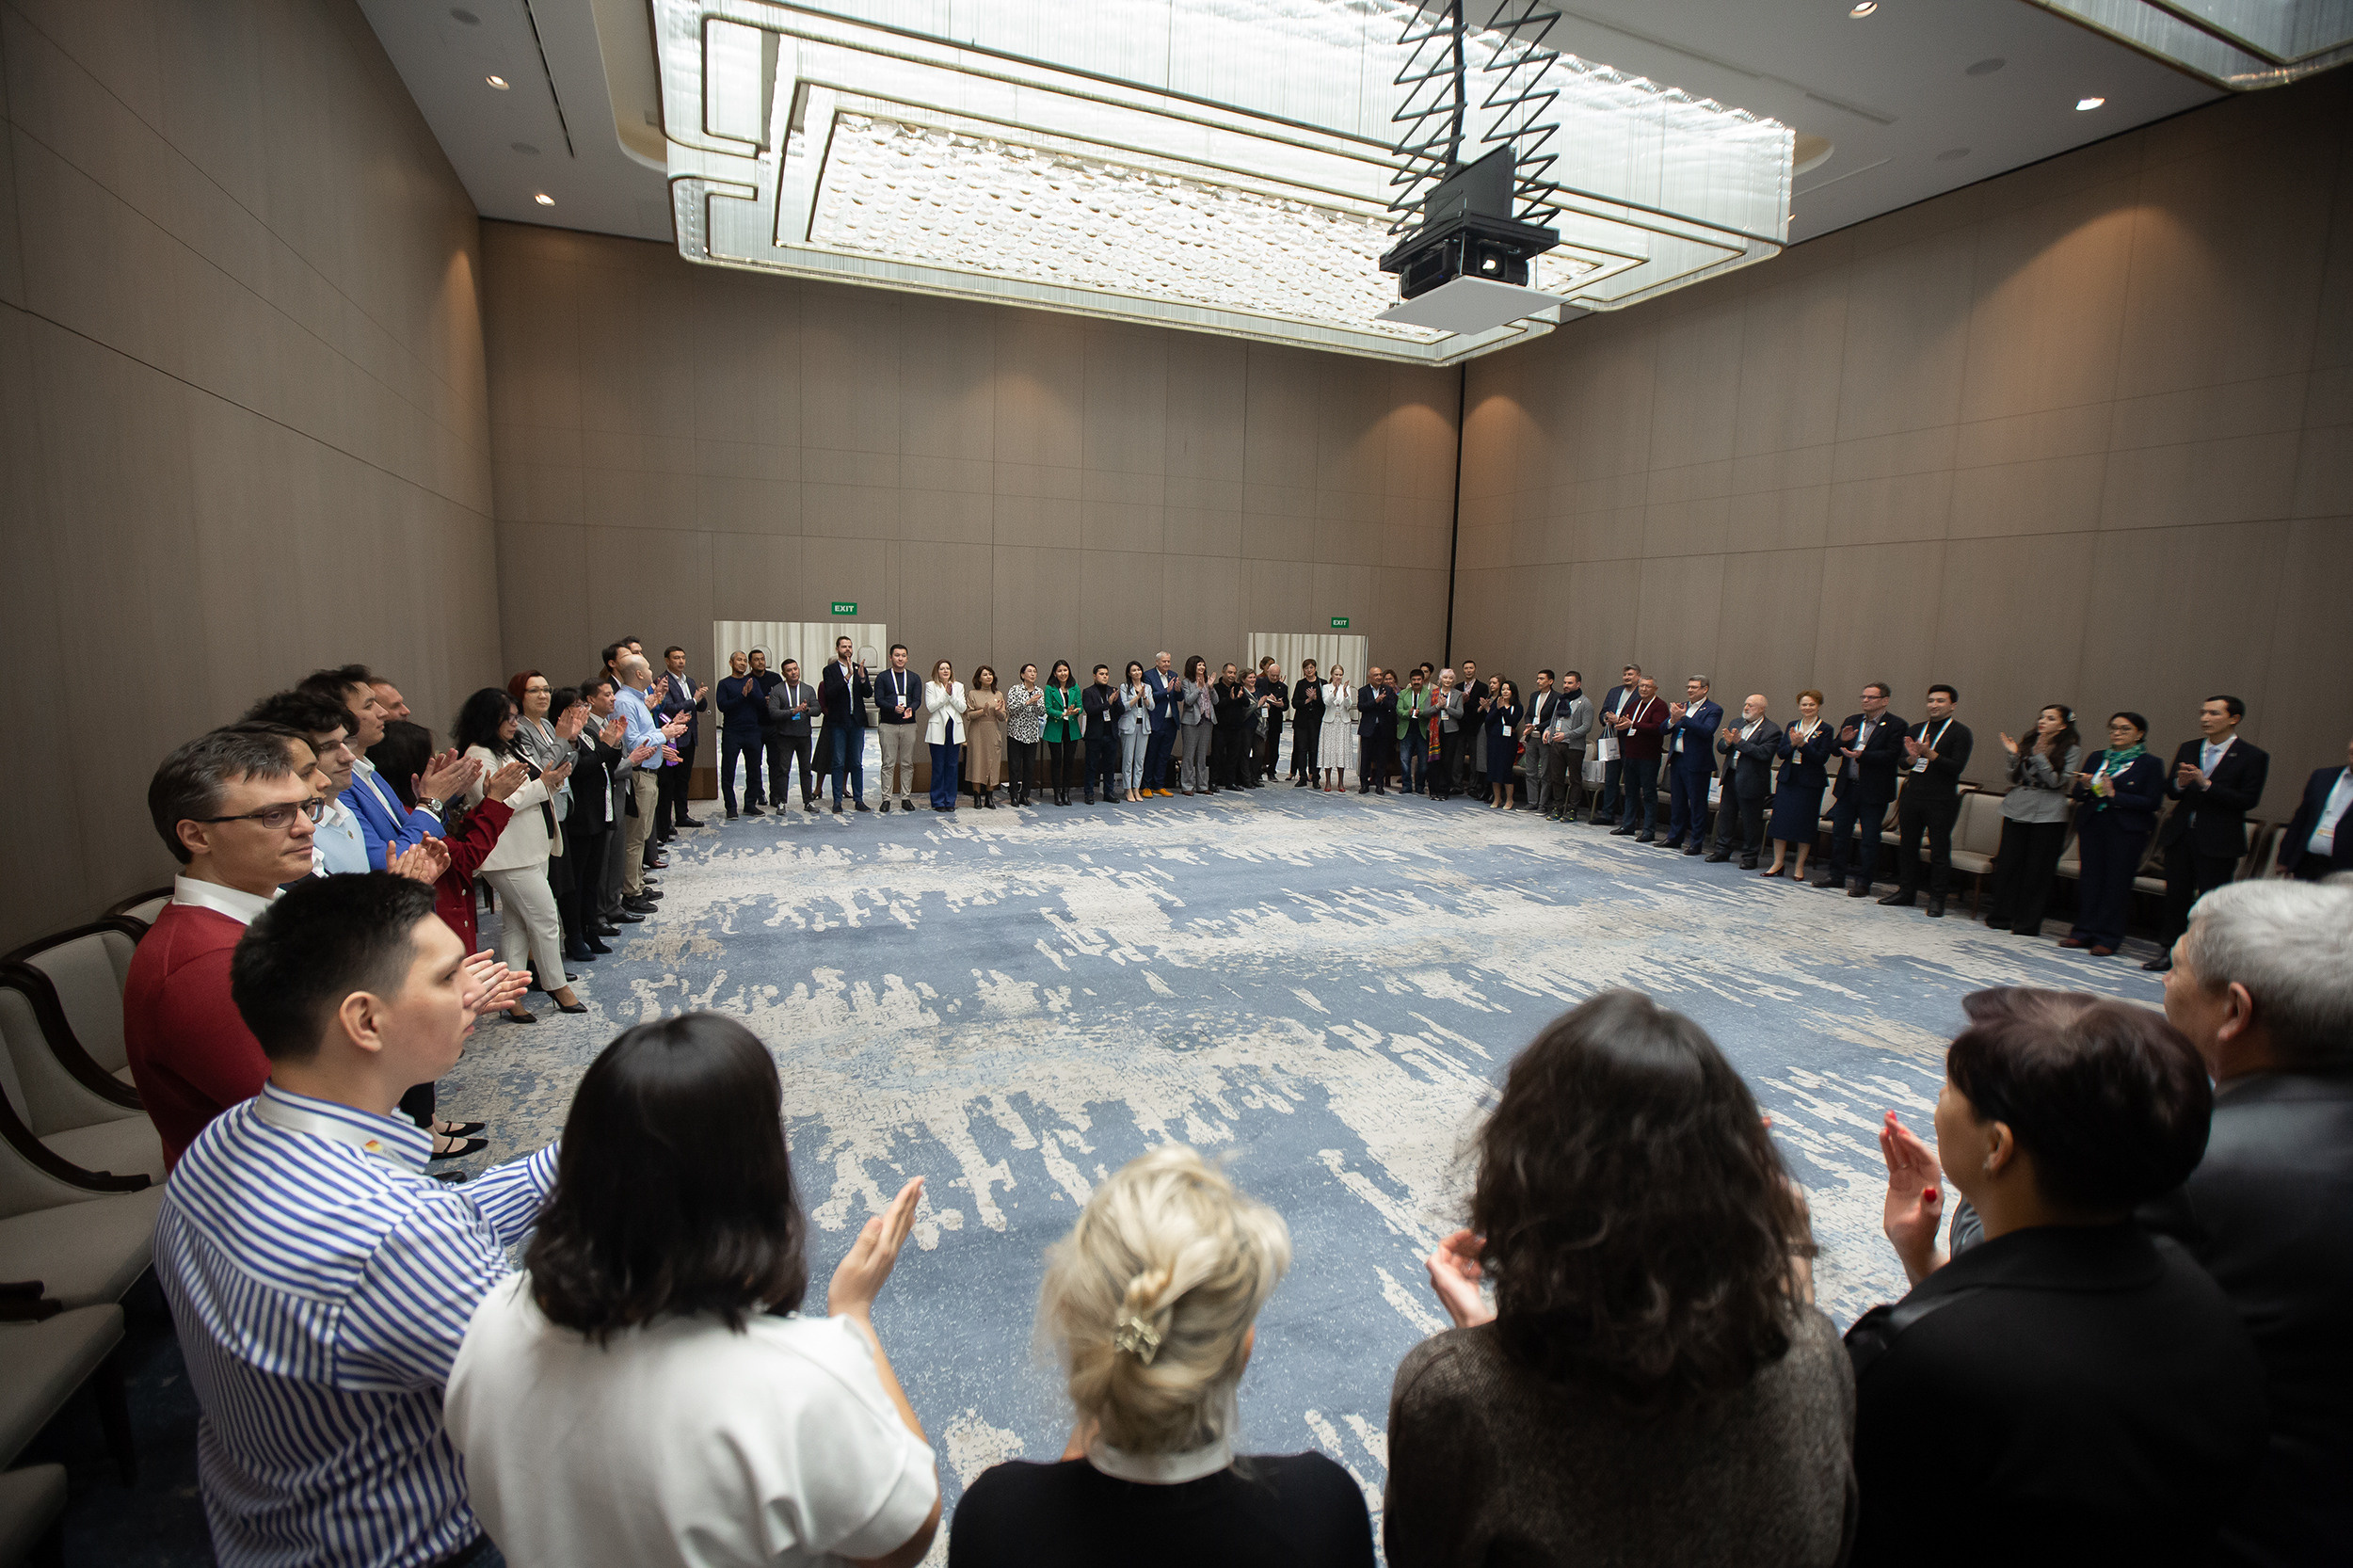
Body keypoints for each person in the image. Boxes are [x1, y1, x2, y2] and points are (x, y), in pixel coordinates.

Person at [154, 872, 559, 1568]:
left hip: (268, 1526)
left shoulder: (221, 1140)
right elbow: (563, 1407)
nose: (471, 991)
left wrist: (570, 1160)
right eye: (446, 977)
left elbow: (428, 1233)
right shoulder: (399, 1236)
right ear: (365, 1020)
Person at [447, 1016, 940, 1568]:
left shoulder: (492, 1322)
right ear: (757, 1172)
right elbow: (907, 1533)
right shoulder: (800, 1378)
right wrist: (854, 1316)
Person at [1388, 990, 1849, 1567]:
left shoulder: (1452, 1397)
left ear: (1525, 1180)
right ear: (1734, 1180)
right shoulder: (1818, 1355)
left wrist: (1482, 1350)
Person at [1853, 989, 2265, 1566]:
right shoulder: (2202, 1297)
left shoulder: (1920, 1357)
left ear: (1997, 1146)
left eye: (1948, 1089)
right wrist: (1921, 1258)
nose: (1938, 1102)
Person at [950, 1145, 1371, 1568]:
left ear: (1074, 1327)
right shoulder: (1322, 1514)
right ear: (1242, 1349)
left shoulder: (995, 1524)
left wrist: (1107, 1395)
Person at [2151, 881, 2353, 1564]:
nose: (2167, 985)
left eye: (2176, 968)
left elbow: (2039, 1300)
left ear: (2234, 1011)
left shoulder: (2192, 1165)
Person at [128, 728, 323, 1166]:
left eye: (306, 806)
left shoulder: (263, 906)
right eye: (275, 815)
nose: (306, 826)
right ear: (197, 837)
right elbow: (307, 1125)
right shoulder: (207, 967)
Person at [455, 688, 584, 1020]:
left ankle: (510, 995)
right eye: (508, 718)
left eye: (515, 717)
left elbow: (526, 785)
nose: (514, 723)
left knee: (516, 926)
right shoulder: (477, 754)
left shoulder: (507, 747)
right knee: (545, 919)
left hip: (529, 847)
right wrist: (544, 785)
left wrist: (550, 780)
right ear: (488, 720)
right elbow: (501, 802)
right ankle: (557, 986)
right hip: (506, 854)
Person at [2147, 696, 2270, 971]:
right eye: (2203, 712)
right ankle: (2169, 951)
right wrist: (2179, 784)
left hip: (2218, 840)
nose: (2205, 718)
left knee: (2210, 903)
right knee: (2176, 897)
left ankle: (2202, 960)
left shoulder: (2253, 756)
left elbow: (2248, 800)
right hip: (2181, 835)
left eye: (2214, 713)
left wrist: (2207, 785)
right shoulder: (2190, 747)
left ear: (2233, 719)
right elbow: (2171, 789)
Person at [2058, 712, 2168, 956]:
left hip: (2126, 830)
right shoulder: (2098, 757)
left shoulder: (2150, 763)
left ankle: (2108, 937)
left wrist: (2115, 795)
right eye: (2113, 729)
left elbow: (2152, 801)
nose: (2117, 733)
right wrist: (2086, 787)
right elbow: (2078, 794)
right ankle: (2082, 931)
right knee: (2090, 880)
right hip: (2094, 824)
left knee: (2116, 883)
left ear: (2139, 734)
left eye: (2124, 729)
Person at [1983, 705, 2083, 935]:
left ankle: (2027, 923)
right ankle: (2001, 916)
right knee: (2008, 864)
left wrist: (2039, 757)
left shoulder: (2071, 748)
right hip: (2018, 805)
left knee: (2037, 870)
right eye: (2041, 717)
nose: (2043, 722)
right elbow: (2012, 776)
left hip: (2048, 812)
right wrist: (2012, 754)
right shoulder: (2029, 739)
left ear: (2063, 725)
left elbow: (2058, 781)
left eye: (2050, 718)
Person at [1877, 685, 1974, 917]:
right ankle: (1906, 891)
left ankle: (1937, 898)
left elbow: (1957, 767)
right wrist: (1912, 757)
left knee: (1939, 849)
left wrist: (1931, 755)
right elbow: (1902, 763)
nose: (1934, 705)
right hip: (1912, 795)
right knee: (1907, 846)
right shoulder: (1917, 729)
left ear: (1953, 705)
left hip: (1941, 799)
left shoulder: (1960, 732)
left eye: (1940, 701)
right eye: (1930, 700)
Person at [1818, 683, 1907, 895]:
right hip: (1848, 788)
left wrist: (1862, 755)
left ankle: (1863, 882)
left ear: (1884, 700)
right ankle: (1836, 876)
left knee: (1869, 839)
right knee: (1840, 835)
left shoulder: (1896, 725)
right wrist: (1842, 740)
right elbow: (1834, 750)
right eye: (1863, 697)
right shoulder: (1852, 720)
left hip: (1874, 791)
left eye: (1871, 697)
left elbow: (1893, 755)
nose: (1865, 700)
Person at [613, 654, 684, 906]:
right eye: (649, 667)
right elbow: (633, 743)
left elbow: (645, 734)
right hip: (638, 774)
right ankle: (632, 893)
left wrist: (665, 733)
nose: (653, 670)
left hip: (649, 772)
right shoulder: (625, 703)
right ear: (640, 674)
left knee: (641, 834)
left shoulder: (638, 700)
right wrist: (664, 734)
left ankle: (638, 883)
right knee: (634, 837)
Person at [1765, 692, 1833, 881]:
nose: (1807, 708)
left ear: (1818, 706)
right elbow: (1781, 753)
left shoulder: (1825, 729)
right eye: (1804, 705)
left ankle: (1799, 867)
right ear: (1799, 706)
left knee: (1805, 823)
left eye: (1811, 704)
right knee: (1780, 822)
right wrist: (1793, 745)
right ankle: (1778, 863)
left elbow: (1821, 758)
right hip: (1789, 779)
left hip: (1810, 783)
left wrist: (1803, 744)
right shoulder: (1792, 726)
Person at [1708, 695, 1782, 869]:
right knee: (1726, 816)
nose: (1747, 708)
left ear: (1762, 709)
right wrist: (1726, 743)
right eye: (1745, 704)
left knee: (1751, 821)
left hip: (1752, 781)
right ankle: (1722, 850)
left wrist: (1739, 742)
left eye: (1752, 705)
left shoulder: (1772, 730)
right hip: (1731, 776)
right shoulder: (1736, 723)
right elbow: (1721, 747)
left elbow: (1763, 754)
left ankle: (1750, 856)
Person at [2276, 733, 2353, 880]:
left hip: (2346, 871)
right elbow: (2301, 819)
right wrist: (2285, 858)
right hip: (2307, 863)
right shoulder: (2323, 776)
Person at [1662, 677, 1723, 853]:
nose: (1690, 690)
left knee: (1697, 804)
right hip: (1678, 759)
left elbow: (1706, 731)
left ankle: (1696, 842)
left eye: (1694, 688)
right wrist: (1673, 720)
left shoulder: (1713, 709)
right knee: (1678, 801)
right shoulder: (1682, 706)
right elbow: (1663, 729)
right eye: (1688, 687)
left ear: (1705, 689)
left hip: (1698, 764)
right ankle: (1675, 837)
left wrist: (1684, 718)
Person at [651, 647, 708, 834]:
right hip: (671, 739)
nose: (681, 661)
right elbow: (668, 709)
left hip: (690, 737)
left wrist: (700, 696)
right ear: (667, 661)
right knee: (668, 783)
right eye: (676, 658)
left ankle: (682, 816)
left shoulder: (689, 681)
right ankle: (665, 822)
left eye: (683, 657)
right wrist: (693, 700)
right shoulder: (662, 681)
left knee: (684, 780)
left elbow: (699, 706)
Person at [1606, 676, 1667, 841]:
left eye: (1648, 686)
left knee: (1648, 794)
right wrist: (1618, 722)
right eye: (1641, 686)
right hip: (1630, 754)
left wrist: (1632, 724)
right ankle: (1628, 825)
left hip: (1648, 757)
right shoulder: (1634, 704)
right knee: (1630, 792)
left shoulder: (1660, 706)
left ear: (1655, 689)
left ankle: (1648, 830)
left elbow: (1657, 727)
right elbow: (1628, 722)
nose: (1644, 689)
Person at [820, 636, 874, 815]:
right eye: (844, 646)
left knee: (857, 763)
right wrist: (847, 677)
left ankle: (859, 799)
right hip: (838, 722)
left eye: (850, 646)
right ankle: (837, 800)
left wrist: (863, 679)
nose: (848, 649)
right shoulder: (829, 670)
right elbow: (830, 693)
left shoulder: (860, 668)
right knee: (837, 762)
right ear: (837, 649)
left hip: (856, 721)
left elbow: (867, 694)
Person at [714, 651, 767, 819]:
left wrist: (751, 692)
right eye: (739, 660)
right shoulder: (724, 684)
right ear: (731, 663)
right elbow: (723, 706)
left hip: (752, 731)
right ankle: (731, 807)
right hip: (732, 732)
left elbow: (761, 704)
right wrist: (742, 695)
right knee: (729, 770)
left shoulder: (753, 682)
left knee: (754, 769)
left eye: (745, 661)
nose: (743, 663)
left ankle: (750, 804)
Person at [873, 644, 923, 815]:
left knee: (907, 763)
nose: (900, 658)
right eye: (897, 655)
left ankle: (905, 798)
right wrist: (892, 707)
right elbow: (878, 700)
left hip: (909, 725)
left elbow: (917, 699)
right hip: (888, 725)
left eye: (903, 655)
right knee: (888, 763)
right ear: (890, 658)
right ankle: (886, 798)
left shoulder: (915, 678)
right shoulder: (883, 677)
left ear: (907, 658)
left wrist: (911, 708)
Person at [766, 658, 819, 816]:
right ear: (784, 673)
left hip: (804, 736)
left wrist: (806, 709)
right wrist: (792, 712)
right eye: (789, 670)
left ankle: (808, 801)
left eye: (795, 669)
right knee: (783, 770)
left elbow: (818, 709)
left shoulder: (808, 689)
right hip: (785, 736)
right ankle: (781, 802)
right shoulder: (777, 690)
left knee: (806, 769)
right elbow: (773, 712)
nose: (793, 672)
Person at [1540, 671, 1593, 823]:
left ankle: (1572, 810)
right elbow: (1554, 720)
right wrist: (1548, 730)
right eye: (1564, 683)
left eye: (1570, 683)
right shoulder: (1560, 700)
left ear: (1578, 684)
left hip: (1574, 746)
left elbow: (1586, 727)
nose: (1566, 686)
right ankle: (1557, 807)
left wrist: (1567, 735)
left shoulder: (1585, 703)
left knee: (1575, 779)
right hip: (1557, 744)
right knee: (1556, 778)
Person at [1592, 665, 1640, 824]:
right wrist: (1606, 717)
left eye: (1630, 674)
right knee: (1611, 779)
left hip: (1631, 742)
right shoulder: (1614, 691)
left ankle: (1629, 819)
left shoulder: (1642, 693)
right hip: (1612, 740)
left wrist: (1619, 720)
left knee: (1631, 781)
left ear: (1638, 676)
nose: (1627, 677)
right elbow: (1602, 712)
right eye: (1625, 674)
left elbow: (1638, 718)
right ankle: (1607, 815)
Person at [925, 661, 968, 813]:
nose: (945, 671)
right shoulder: (931, 686)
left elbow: (962, 707)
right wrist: (946, 695)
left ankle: (950, 800)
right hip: (937, 730)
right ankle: (937, 801)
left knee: (952, 766)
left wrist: (951, 696)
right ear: (936, 671)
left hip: (954, 729)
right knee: (938, 767)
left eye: (947, 668)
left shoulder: (959, 686)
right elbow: (931, 707)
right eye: (942, 668)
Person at [964, 666, 1006, 809]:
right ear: (979, 678)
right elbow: (968, 715)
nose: (988, 677)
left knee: (992, 763)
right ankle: (976, 797)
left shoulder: (998, 694)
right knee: (977, 762)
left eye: (990, 674)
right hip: (977, 731)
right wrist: (982, 711)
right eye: (985, 674)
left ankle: (989, 797)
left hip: (993, 730)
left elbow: (1003, 717)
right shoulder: (972, 694)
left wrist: (999, 711)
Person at [1515, 672, 1555, 812]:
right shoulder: (1534, 696)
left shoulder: (1556, 697)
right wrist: (1528, 724)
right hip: (1532, 737)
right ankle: (1532, 802)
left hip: (1545, 738)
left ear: (1550, 681)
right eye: (1537, 678)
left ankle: (1542, 805)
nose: (1538, 681)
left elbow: (1554, 719)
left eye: (1541, 679)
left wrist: (1537, 726)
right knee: (1530, 771)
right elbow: (1529, 714)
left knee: (1545, 773)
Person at [1006, 664, 1046, 808]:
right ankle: (1013, 796)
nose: (1033, 674)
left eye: (1035, 671)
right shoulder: (1015, 689)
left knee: (1029, 766)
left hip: (1032, 733)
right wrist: (1027, 702)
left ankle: (1025, 795)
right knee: (1014, 766)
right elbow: (1011, 709)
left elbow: (1042, 711)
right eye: (1029, 671)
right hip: (1016, 732)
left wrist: (1035, 704)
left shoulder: (1039, 691)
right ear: (1022, 675)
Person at [1043, 661, 1081, 806]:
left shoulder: (1074, 687)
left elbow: (1080, 706)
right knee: (1057, 761)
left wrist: (1075, 711)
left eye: (1065, 670)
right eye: (1060, 671)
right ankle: (1057, 794)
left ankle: (1066, 793)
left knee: (1069, 762)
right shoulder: (1049, 688)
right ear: (1054, 673)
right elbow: (1048, 709)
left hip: (1071, 728)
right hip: (1055, 728)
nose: (1063, 673)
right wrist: (1064, 713)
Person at [1143, 652, 1181, 798]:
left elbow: (1179, 698)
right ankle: (1146, 785)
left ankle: (1159, 785)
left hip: (1171, 721)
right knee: (1151, 754)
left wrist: (1178, 691)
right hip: (1156, 721)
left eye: (1169, 661)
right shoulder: (1148, 676)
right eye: (1164, 661)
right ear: (1157, 662)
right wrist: (1166, 691)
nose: (1167, 664)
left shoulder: (1173, 674)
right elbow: (1150, 696)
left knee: (1164, 755)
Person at [1082, 664, 1121, 805]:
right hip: (1094, 735)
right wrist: (1107, 703)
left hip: (1110, 734)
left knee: (1109, 765)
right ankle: (1089, 793)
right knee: (1091, 765)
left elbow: (1120, 711)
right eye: (1101, 674)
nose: (1105, 676)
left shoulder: (1113, 690)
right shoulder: (1088, 692)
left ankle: (1109, 793)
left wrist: (1115, 703)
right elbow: (1090, 710)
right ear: (1094, 676)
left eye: (1106, 674)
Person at [1213, 663, 1255, 791]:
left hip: (1236, 728)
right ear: (1223, 672)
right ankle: (1213, 782)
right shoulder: (1216, 688)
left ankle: (1230, 782)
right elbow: (1217, 705)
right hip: (1220, 728)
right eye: (1230, 673)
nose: (1232, 675)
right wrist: (1231, 699)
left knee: (1233, 756)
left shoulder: (1238, 687)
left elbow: (1247, 704)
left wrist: (1240, 697)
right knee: (1217, 756)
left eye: (1234, 673)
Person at [1177, 656, 1214, 796]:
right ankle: (1187, 785)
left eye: (1203, 665)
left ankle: (1202, 785)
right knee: (1188, 755)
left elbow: (1215, 701)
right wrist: (1199, 688)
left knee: (1202, 755)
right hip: (1191, 722)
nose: (1202, 667)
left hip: (1207, 720)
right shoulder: (1186, 682)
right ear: (1192, 667)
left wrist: (1210, 688)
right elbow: (1188, 701)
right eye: (1199, 665)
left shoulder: (1208, 681)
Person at [1482, 679, 1520, 809]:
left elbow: (1512, 722)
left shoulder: (1517, 706)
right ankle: (1497, 798)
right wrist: (1497, 709)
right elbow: (1488, 720)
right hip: (1495, 740)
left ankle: (1509, 799)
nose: (1505, 691)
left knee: (1505, 770)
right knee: (1494, 769)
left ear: (1513, 692)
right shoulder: (1496, 703)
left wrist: (1503, 709)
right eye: (1503, 689)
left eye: (1507, 689)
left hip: (1508, 741)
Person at [1396, 666, 1433, 796]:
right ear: (1410, 681)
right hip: (1407, 729)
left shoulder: (1429, 694)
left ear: (1423, 680)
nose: (1416, 682)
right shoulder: (1403, 694)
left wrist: (1420, 712)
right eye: (1414, 680)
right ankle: (1406, 786)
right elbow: (1399, 710)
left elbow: (1431, 710)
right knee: (1405, 760)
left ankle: (1420, 786)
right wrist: (1408, 712)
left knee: (1423, 762)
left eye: (1419, 679)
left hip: (1422, 730)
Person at [1116, 663, 1151, 803]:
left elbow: (1152, 706)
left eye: (1139, 670)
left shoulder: (1147, 687)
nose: (1137, 672)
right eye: (1134, 670)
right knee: (1128, 759)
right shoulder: (1125, 687)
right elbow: (1124, 706)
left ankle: (1136, 787)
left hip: (1143, 726)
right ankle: (1127, 788)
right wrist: (1137, 697)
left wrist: (1145, 698)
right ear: (1129, 673)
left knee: (1140, 759)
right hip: (1129, 726)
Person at [1319, 665, 1355, 792]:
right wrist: (1334, 692)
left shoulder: (1347, 688)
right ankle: (1328, 780)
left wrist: (1345, 694)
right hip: (1329, 722)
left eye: (1340, 675)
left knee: (1341, 752)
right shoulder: (1326, 687)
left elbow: (1348, 705)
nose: (1338, 677)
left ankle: (1341, 781)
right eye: (1336, 674)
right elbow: (1327, 703)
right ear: (1332, 675)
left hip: (1343, 722)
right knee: (1328, 751)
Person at [1253, 657, 1288, 786]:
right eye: (1272, 675)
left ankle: (1272, 771)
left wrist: (1281, 705)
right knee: (1259, 747)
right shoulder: (1260, 682)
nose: (1274, 678)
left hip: (1275, 720)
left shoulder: (1283, 687)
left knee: (1274, 748)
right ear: (1268, 673)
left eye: (1277, 676)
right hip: (1261, 720)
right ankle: (1257, 771)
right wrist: (1266, 699)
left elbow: (1287, 705)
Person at [1289, 658, 1324, 786]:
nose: (1309, 670)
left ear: (1315, 668)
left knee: (1314, 750)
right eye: (1306, 668)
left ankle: (1315, 777)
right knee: (1302, 749)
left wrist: (1315, 698)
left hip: (1316, 722)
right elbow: (1294, 703)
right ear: (1303, 670)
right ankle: (1302, 777)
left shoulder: (1322, 683)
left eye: (1311, 667)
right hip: (1301, 722)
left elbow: (1325, 703)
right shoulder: (1300, 684)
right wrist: (1307, 701)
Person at [1431, 667, 1464, 800]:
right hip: (1434, 730)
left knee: (1447, 761)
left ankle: (1444, 791)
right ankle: (1433, 790)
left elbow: (1460, 714)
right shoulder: (1433, 693)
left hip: (1451, 731)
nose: (1448, 680)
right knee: (1434, 760)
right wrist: (1438, 706)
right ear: (1440, 679)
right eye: (1445, 677)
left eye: (1450, 678)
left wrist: (1447, 707)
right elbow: (1426, 711)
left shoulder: (1457, 694)